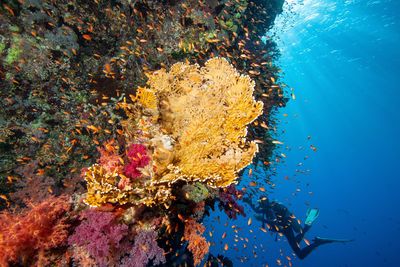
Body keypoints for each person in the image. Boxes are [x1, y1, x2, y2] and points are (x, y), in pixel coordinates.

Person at [243, 196, 353, 259]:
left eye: (260, 204)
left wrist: (261, 219)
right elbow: (257, 210)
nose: (260, 206)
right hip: (286, 227)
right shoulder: (269, 207)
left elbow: (274, 221)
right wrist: (249, 203)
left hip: (285, 228)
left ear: (264, 203)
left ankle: (317, 241)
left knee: (300, 254)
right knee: (297, 244)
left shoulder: (270, 209)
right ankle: (308, 228)